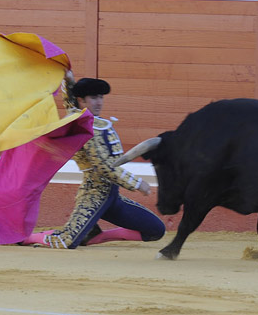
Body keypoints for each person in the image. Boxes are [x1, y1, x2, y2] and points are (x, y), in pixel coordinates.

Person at [22, 71, 165, 248]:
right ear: (82, 100)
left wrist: (69, 79)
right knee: (66, 241)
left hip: (112, 198)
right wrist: (136, 183)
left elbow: (71, 102)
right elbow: (104, 166)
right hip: (93, 195)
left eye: (101, 97)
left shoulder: (92, 120)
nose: (99, 102)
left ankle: (97, 237)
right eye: (93, 98)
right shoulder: (83, 125)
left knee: (155, 230)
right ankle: (26, 238)